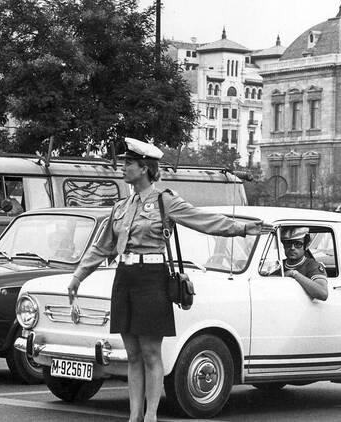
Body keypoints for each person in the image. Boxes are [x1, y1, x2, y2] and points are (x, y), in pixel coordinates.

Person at [67, 137, 261, 422]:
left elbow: (202, 221)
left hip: (151, 280)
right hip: (125, 278)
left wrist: (242, 228)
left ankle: (151, 416)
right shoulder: (121, 206)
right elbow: (102, 246)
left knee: (150, 353)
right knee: (132, 353)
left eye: (128, 163)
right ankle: (134, 416)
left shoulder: (164, 201)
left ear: (144, 168)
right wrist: (78, 276)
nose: (123, 168)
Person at [279, 227, 329, 301]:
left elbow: (323, 294)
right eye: (288, 243)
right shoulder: (279, 265)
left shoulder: (313, 265)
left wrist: (294, 274)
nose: (292, 248)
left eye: (298, 244)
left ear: (306, 246)